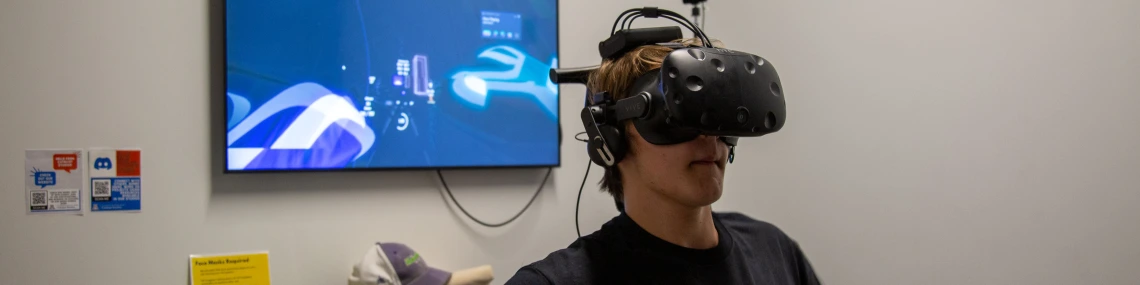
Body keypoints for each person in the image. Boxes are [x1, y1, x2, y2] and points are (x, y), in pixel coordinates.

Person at [505, 39, 822, 284]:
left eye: (716, 115)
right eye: (676, 118)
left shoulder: (775, 252)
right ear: (610, 136)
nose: (709, 138)